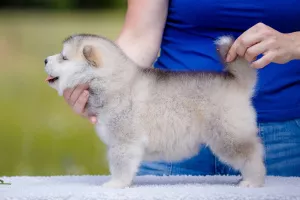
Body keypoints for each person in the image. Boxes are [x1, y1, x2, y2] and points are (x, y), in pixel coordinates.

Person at [63, 0, 300, 177]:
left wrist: (293, 42)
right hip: (166, 125)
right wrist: (102, 84)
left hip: (283, 133)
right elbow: (139, 36)